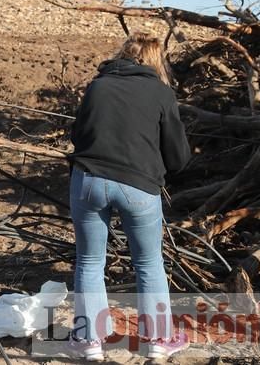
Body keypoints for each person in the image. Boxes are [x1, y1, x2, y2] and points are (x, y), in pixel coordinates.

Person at [67, 32, 191, 361]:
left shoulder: (98, 85)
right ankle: (158, 340)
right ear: (155, 61)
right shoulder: (162, 93)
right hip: (139, 186)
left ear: (123, 54)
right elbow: (178, 158)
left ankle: (89, 341)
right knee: (149, 263)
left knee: (90, 262)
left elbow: (77, 135)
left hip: (89, 180)